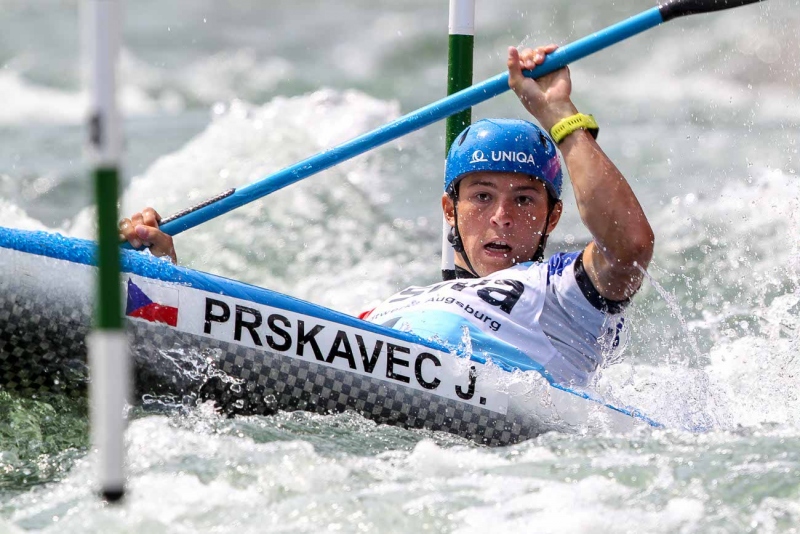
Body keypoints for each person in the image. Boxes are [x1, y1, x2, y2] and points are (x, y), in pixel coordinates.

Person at [121, 44, 654, 387]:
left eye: (524, 200)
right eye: (481, 197)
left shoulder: (563, 294)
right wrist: (164, 276)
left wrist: (560, 115)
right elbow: (282, 353)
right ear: (449, 209)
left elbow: (629, 244)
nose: (501, 217)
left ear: (553, 216)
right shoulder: (396, 305)